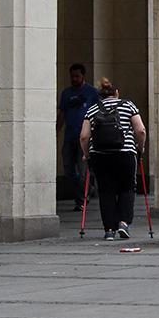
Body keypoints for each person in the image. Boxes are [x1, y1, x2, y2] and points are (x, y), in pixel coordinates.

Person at [80, 79, 146, 241]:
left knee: (106, 191)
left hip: (100, 155)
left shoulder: (93, 109)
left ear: (100, 96)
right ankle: (123, 222)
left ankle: (109, 230)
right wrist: (140, 147)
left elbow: (84, 136)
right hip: (125, 153)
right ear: (117, 93)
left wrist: (86, 154)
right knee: (127, 188)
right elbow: (140, 130)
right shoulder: (128, 105)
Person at [57, 63, 100, 211]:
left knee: (83, 170)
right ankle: (88, 188)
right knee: (69, 169)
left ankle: (81, 200)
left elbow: (98, 112)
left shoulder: (92, 92)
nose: (74, 79)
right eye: (72, 76)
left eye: (77, 76)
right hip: (69, 136)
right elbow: (62, 112)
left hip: (85, 137)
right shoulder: (66, 93)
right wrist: (57, 130)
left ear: (83, 76)